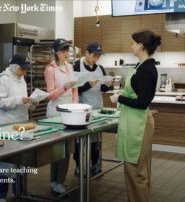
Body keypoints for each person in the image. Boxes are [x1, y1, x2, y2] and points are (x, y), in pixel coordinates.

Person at [110, 29, 161, 202]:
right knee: (133, 169)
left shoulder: (147, 69)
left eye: (133, 43)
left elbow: (142, 102)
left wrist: (119, 98)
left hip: (139, 125)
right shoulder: (140, 66)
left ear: (141, 45)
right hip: (133, 122)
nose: (131, 46)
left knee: (136, 172)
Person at [0, 54, 37, 202]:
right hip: (5, 125)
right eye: (22, 69)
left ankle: (18, 192)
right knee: (4, 162)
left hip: (21, 124)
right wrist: (19, 100)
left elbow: (20, 100)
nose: (24, 72)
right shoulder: (4, 78)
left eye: (25, 70)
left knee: (21, 160)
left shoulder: (21, 78)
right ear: (14, 66)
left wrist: (31, 103)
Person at [72, 42, 113, 176]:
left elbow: (102, 88)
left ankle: (94, 164)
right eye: (94, 55)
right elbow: (75, 88)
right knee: (80, 140)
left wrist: (108, 85)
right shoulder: (77, 66)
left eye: (98, 56)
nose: (96, 59)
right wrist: (88, 84)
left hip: (97, 108)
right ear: (87, 53)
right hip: (81, 109)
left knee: (95, 139)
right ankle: (78, 165)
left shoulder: (100, 68)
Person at [44, 38, 78, 194]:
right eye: (63, 50)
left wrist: (76, 105)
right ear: (56, 52)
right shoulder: (49, 70)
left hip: (70, 111)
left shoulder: (70, 67)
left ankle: (59, 181)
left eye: (67, 50)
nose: (66, 53)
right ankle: (53, 181)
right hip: (55, 112)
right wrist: (64, 87)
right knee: (56, 149)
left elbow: (75, 89)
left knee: (66, 149)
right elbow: (50, 95)